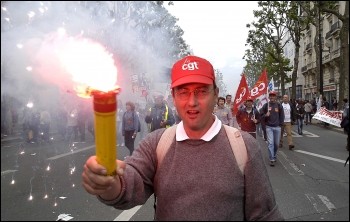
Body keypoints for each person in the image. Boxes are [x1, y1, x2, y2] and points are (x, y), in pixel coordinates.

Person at [82, 55, 284, 221]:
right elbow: (130, 183)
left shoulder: (244, 147)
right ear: (173, 96)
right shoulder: (156, 143)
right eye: (183, 92)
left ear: (216, 94)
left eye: (201, 91)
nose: (192, 102)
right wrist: (109, 184)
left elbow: (266, 216)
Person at [261, 91, 284, 166]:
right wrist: (265, 115)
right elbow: (261, 115)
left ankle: (274, 155)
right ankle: (272, 158)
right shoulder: (266, 105)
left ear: (275, 97)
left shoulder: (279, 105)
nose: (272, 97)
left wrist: (280, 124)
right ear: (269, 97)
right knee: (271, 143)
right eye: (270, 96)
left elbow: (282, 115)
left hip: (277, 127)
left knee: (276, 144)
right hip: (269, 127)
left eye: (273, 96)